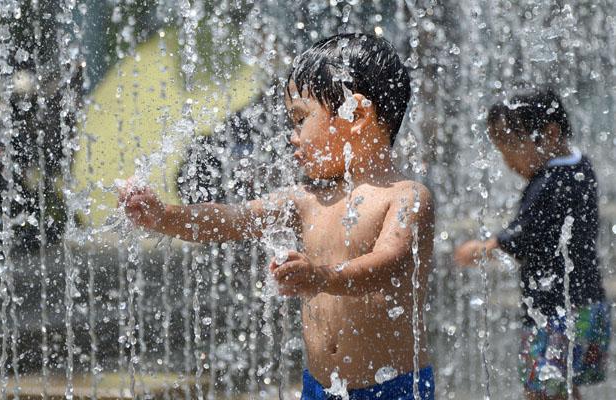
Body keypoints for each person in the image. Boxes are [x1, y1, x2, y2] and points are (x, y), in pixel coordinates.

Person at [120, 33, 435, 399]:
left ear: (357, 114)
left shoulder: (406, 196)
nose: (292, 136)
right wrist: (164, 216)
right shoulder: (306, 199)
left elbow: (389, 264)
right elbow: (231, 219)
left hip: (392, 388)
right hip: (319, 387)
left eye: (300, 119)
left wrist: (320, 276)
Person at [454, 88, 610, 400]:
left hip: (556, 314)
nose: (507, 160)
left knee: (540, 392)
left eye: (511, 146)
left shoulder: (548, 183)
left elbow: (524, 237)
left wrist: (486, 247)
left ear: (550, 133)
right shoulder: (582, 167)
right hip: (589, 305)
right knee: (563, 389)